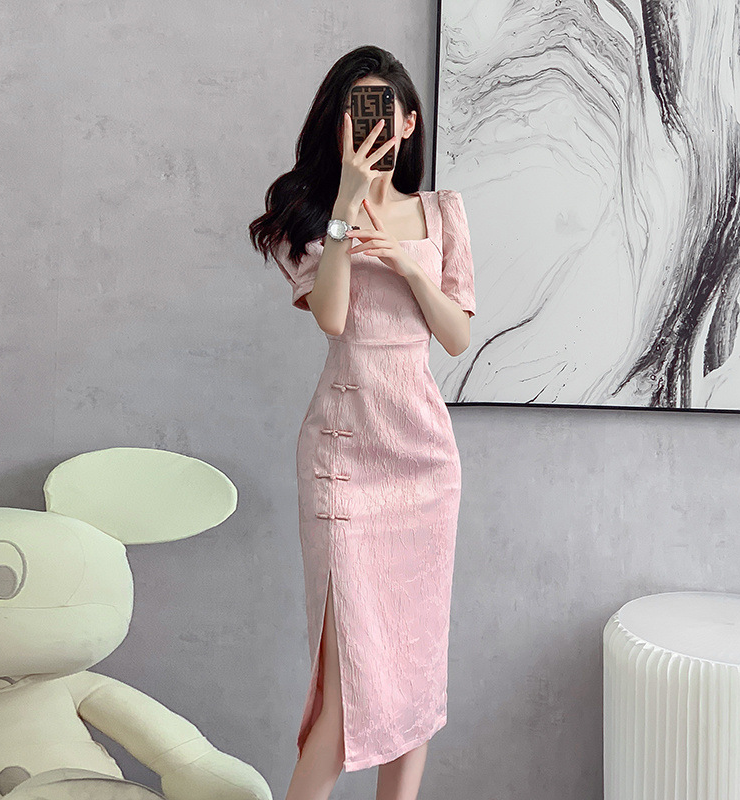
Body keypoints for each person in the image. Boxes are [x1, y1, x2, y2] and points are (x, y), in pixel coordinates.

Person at [249, 44, 476, 800]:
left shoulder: (442, 212)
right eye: (355, 111)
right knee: (347, 691)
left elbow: (455, 335)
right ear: (338, 125)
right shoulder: (315, 220)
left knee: (415, 678)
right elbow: (334, 318)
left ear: (409, 122)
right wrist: (346, 209)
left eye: (383, 109)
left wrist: (409, 263)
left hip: (424, 462)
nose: (370, 124)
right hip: (345, 459)